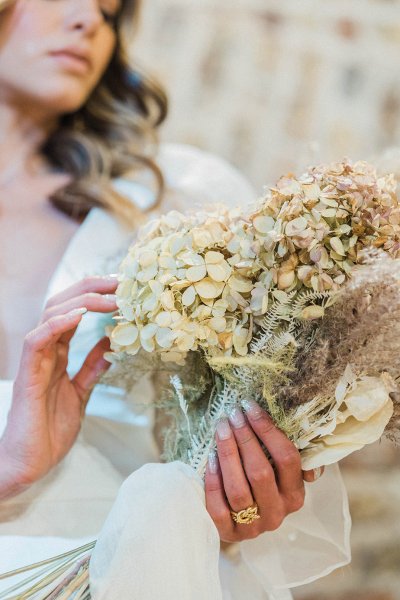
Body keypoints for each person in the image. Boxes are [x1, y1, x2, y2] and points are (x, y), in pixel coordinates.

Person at [0, 0, 351, 598]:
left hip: (138, 570)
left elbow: (231, 422)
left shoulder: (176, 197)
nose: (89, 21)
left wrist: (237, 503)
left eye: (108, 11)